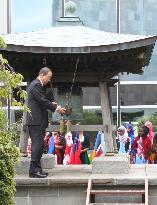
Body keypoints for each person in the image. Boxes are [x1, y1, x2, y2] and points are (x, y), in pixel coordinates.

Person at [26, 67, 65, 178]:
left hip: (37, 121)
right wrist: (56, 108)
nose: (49, 80)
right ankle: (34, 171)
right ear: (42, 75)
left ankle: (36, 170)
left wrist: (51, 103)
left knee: (39, 145)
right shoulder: (36, 85)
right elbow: (42, 101)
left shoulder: (36, 85)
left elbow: (40, 101)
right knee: (37, 146)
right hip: (36, 121)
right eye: (49, 77)